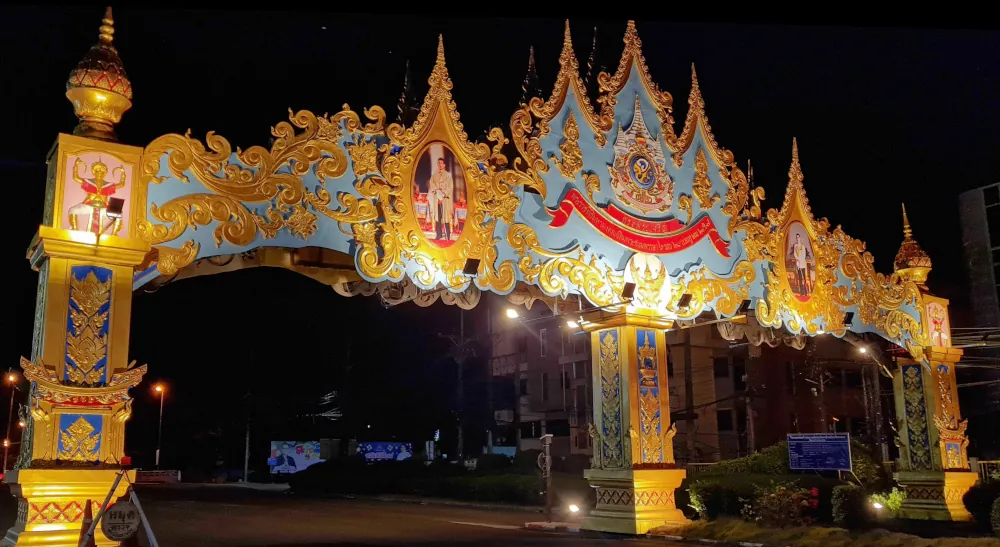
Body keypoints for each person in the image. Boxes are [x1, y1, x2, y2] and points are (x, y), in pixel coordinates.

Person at [428, 157, 455, 241]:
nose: (440, 164)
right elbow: (431, 183)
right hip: (437, 200)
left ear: (444, 165)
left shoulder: (448, 175)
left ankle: (447, 235)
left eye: (441, 163)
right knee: (438, 218)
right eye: (438, 163)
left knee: (446, 217)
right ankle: (439, 234)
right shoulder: (434, 175)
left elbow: (451, 187)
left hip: (445, 200)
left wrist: (444, 193)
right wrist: (436, 190)